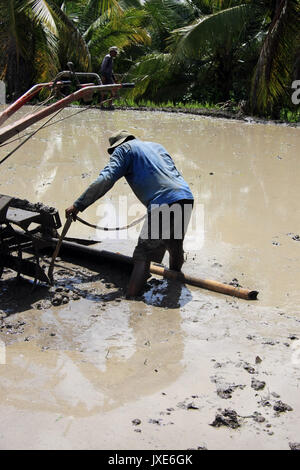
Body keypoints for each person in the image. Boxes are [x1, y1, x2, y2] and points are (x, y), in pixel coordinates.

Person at [66, 130, 194, 297]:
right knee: (175, 245)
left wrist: (78, 205)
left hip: (163, 202)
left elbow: (106, 179)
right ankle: (173, 285)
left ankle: (132, 300)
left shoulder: (124, 149)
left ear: (116, 147)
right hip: (185, 196)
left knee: (143, 254)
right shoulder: (156, 147)